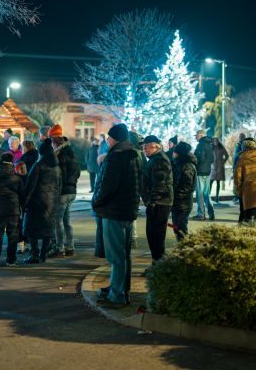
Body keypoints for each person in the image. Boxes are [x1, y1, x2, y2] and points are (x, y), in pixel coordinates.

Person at [93, 123, 142, 308]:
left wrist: (96, 202)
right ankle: (121, 288)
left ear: (114, 139)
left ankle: (117, 295)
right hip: (128, 211)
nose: (107, 140)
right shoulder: (134, 155)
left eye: (109, 138)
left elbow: (106, 186)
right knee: (124, 255)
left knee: (116, 257)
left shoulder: (115, 157)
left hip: (113, 212)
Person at [22, 139, 61, 264]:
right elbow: (59, 186)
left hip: (37, 202)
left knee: (31, 229)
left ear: (41, 153)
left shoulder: (38, 166)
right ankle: (43, 254)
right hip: (52, 203)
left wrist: (24, 203)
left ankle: (34, 254)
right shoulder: (57, 167)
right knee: (47, 229)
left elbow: (31, 186)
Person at [0, 152, 25, 268]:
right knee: (13, 236)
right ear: (12, 162)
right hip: (14, 210)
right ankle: (11, 260)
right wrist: (20, 207)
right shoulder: (16, 178)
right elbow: (22, 195)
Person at [141, 134, 173, 270]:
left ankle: (159, 266)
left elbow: (159, 184)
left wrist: (152, 202)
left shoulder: (159, 160)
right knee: (153, 235)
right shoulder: (155, 159)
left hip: (160, 203)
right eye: (143, 147)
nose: (144, 150)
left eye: (146, 147)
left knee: (156, 236)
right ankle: (157, 264)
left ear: (155, 146)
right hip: (159, 202)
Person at [49, 124, 81, 258]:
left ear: (54, 142)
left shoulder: (59, 155)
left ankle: (60, 248)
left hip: (63, 191)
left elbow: (59, 174)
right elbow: (77, 172)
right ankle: (70, 247)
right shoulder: (71, 152)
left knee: (58, 220)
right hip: (72, 190)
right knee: (67, 220)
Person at [171, 141, 197, 241]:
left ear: (179, 153)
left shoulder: (186, 166)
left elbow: (186, 186)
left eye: (175, 152)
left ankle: (184, 249)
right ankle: (183, 247)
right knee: (177, 228)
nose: (173, 154)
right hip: (180, 203)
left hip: (183, 204)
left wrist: (175, 196)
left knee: (180, 229)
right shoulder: (179, 164)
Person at [193, 129, 214, 220]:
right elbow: (212, 159)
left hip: (200, 172)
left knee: (200, 194)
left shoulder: (201, 145)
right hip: (207, 171)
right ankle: (211, 213)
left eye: (196, 135)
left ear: (201, 135)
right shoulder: (209, 145)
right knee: (206, 194)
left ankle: (201, 214)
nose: (195, 137)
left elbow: (199, 158)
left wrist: (194, 162)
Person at [210, 137, 229, 203]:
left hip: (219, 167)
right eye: (214, 141)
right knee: (210, 182)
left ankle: (217, 197)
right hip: (212, 167)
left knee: (218, 183)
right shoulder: (211, 148)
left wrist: (222, 162)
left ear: (218, 141)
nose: (215, 142)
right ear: (212, 141)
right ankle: (208, 197)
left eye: (216, 141)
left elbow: (227, 156)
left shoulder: (221, 148)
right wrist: (210, 162)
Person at [232, 132, 246, 205]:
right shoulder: (239, 145)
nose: (240, 138)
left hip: (240, 166)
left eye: (241, 137)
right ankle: (237, 196)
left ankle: (238, 197)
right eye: (240, 137)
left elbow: (237, 156)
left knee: (240, 182)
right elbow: (235, 157)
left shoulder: (243, 146)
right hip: (237, 165)